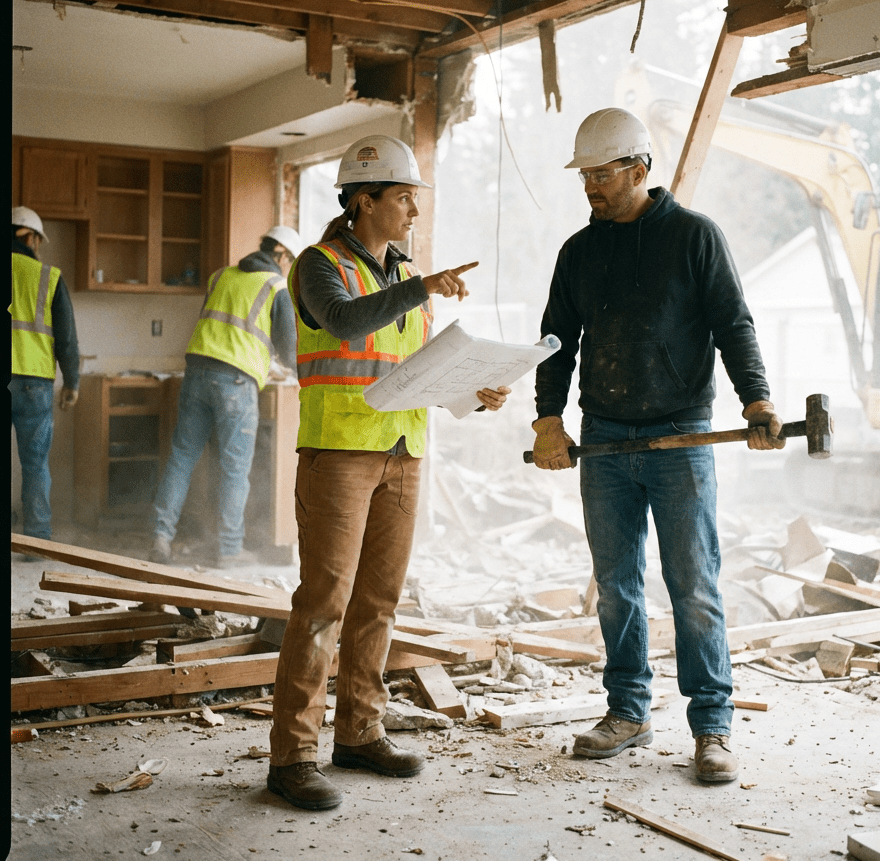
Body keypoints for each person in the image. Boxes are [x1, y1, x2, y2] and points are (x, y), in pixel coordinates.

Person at [530, 108, 785, 785]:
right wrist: (546, 418)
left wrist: (756, 400)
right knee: (615, 588)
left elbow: (734, 324)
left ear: (639, 170)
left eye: (602, 173)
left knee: (694, 586)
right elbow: (555, 342)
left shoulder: (696, 238)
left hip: (682, 437)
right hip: (605, 440)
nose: (590, 185)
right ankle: (629, 711)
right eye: (584, 174)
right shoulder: (578, 253)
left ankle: (711, 727)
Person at [267, 134, 510, 811]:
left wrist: (473, 392)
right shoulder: (319, 266)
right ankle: (291, 757)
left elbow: (413, 372)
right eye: (402, 198)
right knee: (323, 604)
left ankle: (360, 732)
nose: (413, 211)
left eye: (414, 200)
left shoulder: (403, 274)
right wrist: (421, 286)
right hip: (339, 453)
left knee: (378, 602)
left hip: (403, 450)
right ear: (361, 201)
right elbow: (341, 325)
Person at [148, 226, 303, 568]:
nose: (288, 268)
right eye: (289, 260)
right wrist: (299, 373)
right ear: (280, 254)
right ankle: (230, 549)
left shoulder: (220, 276)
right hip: (235, 380)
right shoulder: (275, 285)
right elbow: (289, 350)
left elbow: (222, 328)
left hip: (197, 371)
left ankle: (160, 538)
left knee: (182, 457)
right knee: (235, 470)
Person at [11, 206, 80, 549]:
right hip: (33, 382)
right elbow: (66, 337)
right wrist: (72, 382)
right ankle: (37, 541)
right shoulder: (47, 276)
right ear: (32, 238)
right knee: (35, 463)